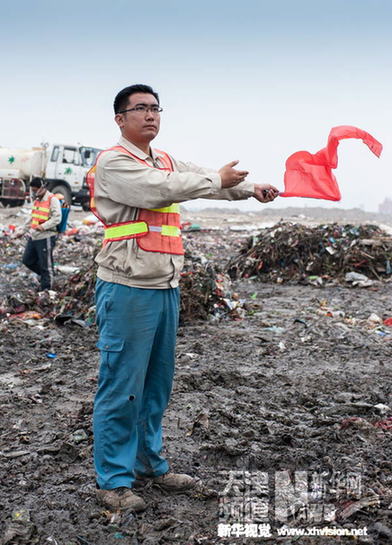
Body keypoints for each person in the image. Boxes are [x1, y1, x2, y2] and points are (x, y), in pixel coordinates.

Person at [90, 84, 279, 512]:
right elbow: (161, 189)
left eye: (156, 108)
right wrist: (213, 179)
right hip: (126, 287)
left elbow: (204, 183)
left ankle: (149, 465)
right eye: (140, 109)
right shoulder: (115, 162)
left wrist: (250, 189)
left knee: (156, 384)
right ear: (120, 119)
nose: (151, 115)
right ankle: (115, 482)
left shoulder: (167, 161)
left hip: (164, 288)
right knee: (122, 385)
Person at [20, 177, 61, 291]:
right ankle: (46, 277)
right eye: (32, 190)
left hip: (46, 237)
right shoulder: (37, 200)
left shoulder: (52, 200)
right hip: (34, 236)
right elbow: (32, 217)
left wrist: (43, 226)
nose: (34, 192)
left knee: (46, 266)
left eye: (35, 189)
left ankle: (47, 290)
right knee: (27, 260)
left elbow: (57, 218)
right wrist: (22, 230)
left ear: (42, 188)